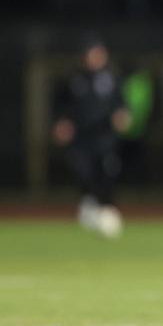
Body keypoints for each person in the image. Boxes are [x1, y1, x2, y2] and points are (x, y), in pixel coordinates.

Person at [52, 37, 131, 238]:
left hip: (105, 136)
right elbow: (61, 105)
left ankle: (107, 208)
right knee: (82, 170)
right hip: (81, 136)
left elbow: (121, 103)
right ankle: (89, 204)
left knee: (107, 171)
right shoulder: (73, 79)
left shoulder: (112, 78)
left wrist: (122, 115)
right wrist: (62, 122)